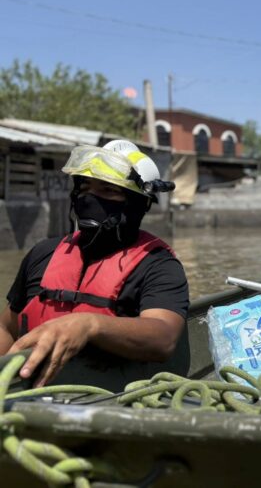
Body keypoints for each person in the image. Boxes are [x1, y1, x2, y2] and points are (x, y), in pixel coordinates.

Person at [0, 140, 189, 387]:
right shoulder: (43, 253)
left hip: (106, 397)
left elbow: (163, 338)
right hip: (28, 394)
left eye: (108, 190)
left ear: (138, 203)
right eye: (85, 187)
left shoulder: (158, 264)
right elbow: (6, 327)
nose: (90, 198)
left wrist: (90, 324)